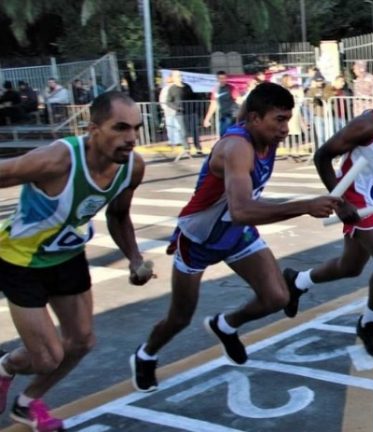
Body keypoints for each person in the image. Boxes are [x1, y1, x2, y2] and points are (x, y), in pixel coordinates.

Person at [129, 82, 340, 393]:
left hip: (236, 232)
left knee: (277, 297)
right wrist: (305, 206)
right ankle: (146, 355)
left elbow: (241, 214)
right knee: (180, 318)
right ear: (254, 118)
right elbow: (242, 209)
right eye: (279, 120)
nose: (285, 129)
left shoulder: (266, 139)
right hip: (200, 238)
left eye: (287, 120)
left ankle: (225, 325)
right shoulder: (237, 146)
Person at [0, 91, 152, 430]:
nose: (131, 139)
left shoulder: (132, 167)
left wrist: (134, 258)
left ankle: (27, 404)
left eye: (136, 129)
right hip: (20, 259)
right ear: (93, 128)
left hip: (67, 255)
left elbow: (119, 214)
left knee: (82, 342)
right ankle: (6, 366)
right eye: (121, 128)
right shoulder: (57, 160)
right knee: (46, 356)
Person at [281, 72, 373, 355]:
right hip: (355, 198)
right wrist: (338, 201)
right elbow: (323, 155)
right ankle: (369, 323)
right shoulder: (369, 125)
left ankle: (297, 281)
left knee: (350, 267)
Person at [203, 71, 241, 137]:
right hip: (222, 116)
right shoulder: (215, 90)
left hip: (231, 115)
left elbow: (239, 100)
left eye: (224, 78)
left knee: (230, 135)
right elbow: (213, 105)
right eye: (220, 78)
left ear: (226, 78)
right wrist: (207, 119)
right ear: (217, 79)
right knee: (223, 135)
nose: (222, 80)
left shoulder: (231, 88)